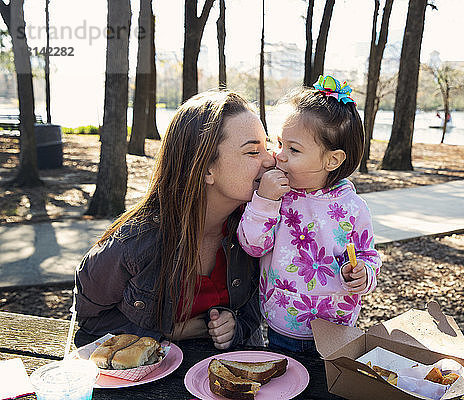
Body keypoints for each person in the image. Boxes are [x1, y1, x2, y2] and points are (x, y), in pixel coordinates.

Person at [74, 91, 275, 349]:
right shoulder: (134, 244)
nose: (270, 160)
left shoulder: (259, 228)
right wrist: (167, 332)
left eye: (266, 147)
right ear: (205, 168)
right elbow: (88, 315)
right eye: (252, 151)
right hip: (155, 384)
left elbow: (259, 308)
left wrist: (235, 327)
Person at [236, 75, 382, 354]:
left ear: (332, 160)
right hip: (283, 323)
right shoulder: (277, 195)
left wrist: (365, 275)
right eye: (280, 143)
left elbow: (368, 256)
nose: (279, 156)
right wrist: (264, 200)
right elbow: (253, 246)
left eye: (294, 149)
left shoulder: (353, 208)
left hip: (337, 328)